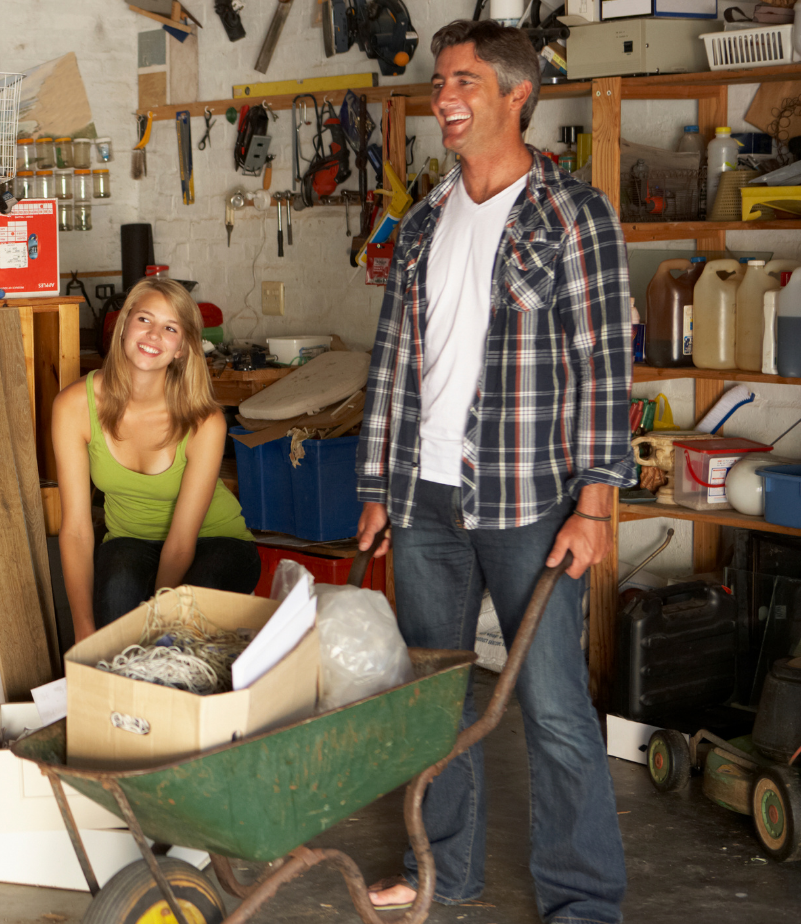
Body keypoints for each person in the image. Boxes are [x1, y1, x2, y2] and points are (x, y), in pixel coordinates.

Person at [354, 20, 633, 924]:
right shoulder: (430, 215)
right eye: (440, 83)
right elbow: (395, 358)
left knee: (553, 709)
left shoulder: (572, 213)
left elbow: (602, 368)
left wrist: (595, 503)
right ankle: (443, 872)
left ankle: (584, 900)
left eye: (464, 82)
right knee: (434, 703)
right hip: (426, 495)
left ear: (517, 94)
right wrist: (378, 486)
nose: (443, 98)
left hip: (530, 500)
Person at [53, 277, 260, 641]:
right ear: (123, 326)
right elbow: (75, 529)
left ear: (182, 348)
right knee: (116, 600)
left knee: (190, 614)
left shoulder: (203, 421)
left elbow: (181, 541)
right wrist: (84, 632)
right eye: (144, 320)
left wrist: (160, 624)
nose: (153, 336)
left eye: (169, 328)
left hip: (214, 541)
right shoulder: (74, 407)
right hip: (129, 540)